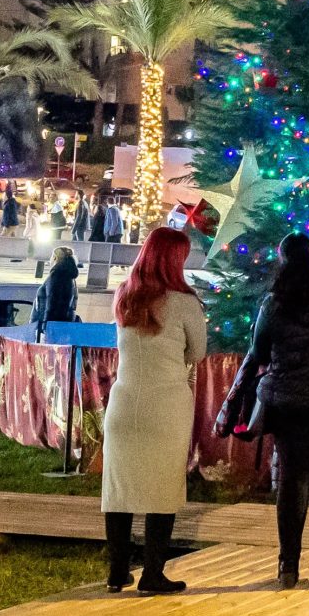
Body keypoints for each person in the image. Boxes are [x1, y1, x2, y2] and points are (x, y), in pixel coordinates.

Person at [223, 233, 309, 589]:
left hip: (290, 401)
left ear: (283, 259)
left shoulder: (275, 302)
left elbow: (260, 349)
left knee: (293, 477)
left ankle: (288, 566)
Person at [101, 227, 206, 594]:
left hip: (124, 400)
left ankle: (117, 571)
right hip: (166, 403)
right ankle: (152, 573)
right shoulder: (184, 301)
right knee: (163, 488)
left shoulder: (125, 296)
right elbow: (198, 353)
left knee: (119, 488)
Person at [35, 246, 81, 327]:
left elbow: (51, 302)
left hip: (47, 327)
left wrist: (46, 326)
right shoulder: (70, 277)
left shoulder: (56, 275)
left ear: (55, 258)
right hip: (63, 325)